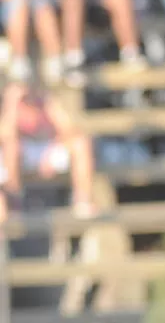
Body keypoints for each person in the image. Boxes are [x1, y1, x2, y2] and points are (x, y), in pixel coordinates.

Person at [0, 81, 96, 224]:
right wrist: (12, 103)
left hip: (48, 148)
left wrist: (50, 149)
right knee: (11, 147)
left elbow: (68, 129)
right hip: (21, 151)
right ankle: (13, 201)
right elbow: (5, 135)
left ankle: (82, 200)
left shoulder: (46, 100)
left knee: (80, 142)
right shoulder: (12, 105)